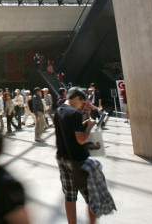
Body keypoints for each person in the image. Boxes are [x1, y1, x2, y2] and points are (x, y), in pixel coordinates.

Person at [54, 87, 97, 224]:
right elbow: (81, 140)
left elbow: (66, 131)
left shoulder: (58, 111)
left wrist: (81, 126)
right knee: (91, 197)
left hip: (62, 158)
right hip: (77, 160)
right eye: (82, 103)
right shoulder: (75, 114)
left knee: (70, 196)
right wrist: (89, 126)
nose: (82, 106)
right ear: (77, 98)